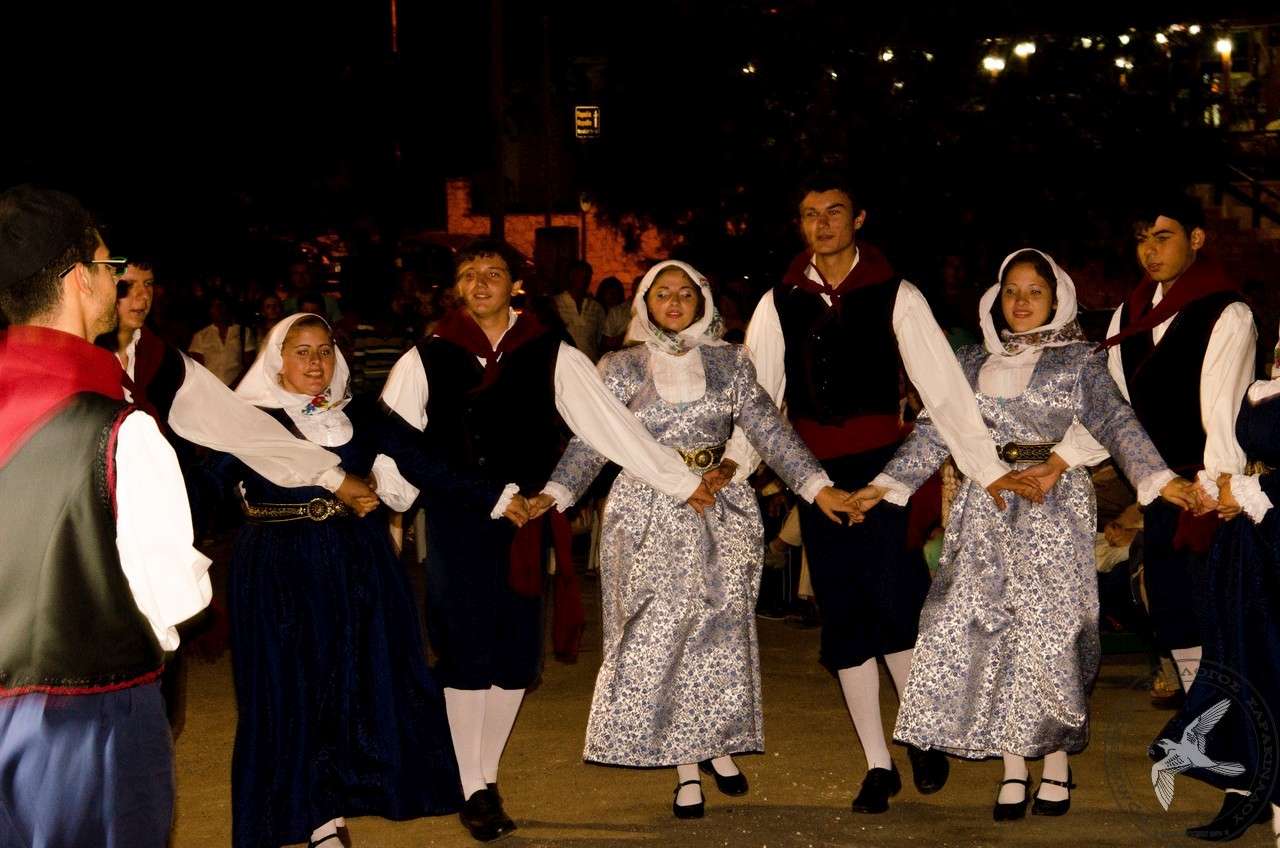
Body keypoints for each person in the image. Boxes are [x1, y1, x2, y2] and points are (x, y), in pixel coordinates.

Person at [381, 238, 714, 842]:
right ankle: (471, 785)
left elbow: (609, 427)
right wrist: (391, 504)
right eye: (469, 274)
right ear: (457, 288)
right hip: (460, 520)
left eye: (493, 272)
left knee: (514, 657)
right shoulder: (425, 356)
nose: (480, 282)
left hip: (526, 520)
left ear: (515, 285)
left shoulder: (549, 351)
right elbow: (396, 442)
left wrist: (679, 480)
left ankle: (484, 776)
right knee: (465, 651)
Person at [850, 247, 1200, 821]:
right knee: (991, 633)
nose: (1021, 301)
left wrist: (1149, 478)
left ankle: (1056, 764)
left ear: (1056, 298)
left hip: (1052, 506)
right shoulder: (970, 361)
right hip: (986, 508)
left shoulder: (1079, 359)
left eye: (1034, 291)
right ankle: (1014, 767)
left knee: (1050, 634)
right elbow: (937, 429)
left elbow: (1115, 421)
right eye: (1011, 290)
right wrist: (885, 485)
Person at [737, 171, 1038, 813]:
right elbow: (757, 401)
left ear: (859, 219)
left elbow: (944, 390)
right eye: (811, 213)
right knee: (844, 616)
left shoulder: (897, 292)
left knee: (895, 604)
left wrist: (984, 469)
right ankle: (878, 764)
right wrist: (735, 471)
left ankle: (919, 731)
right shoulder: (777, 300)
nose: (822, 224)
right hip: (815, 474)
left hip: (885, 471)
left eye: (834, 211)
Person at [535, 261, 857, 818]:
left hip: (719, 508)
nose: (675, 301)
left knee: (718, 631)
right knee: (663, 632)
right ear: (645, 302)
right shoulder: (620, 366)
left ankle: (717, 742)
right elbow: (592, 441)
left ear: (702, 301)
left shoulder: (731, 362)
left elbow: (769, 429)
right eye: (663, 293)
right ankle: (686, 767)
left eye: (685, 293)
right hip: (648, 513)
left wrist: (816, 486)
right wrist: (555, 493)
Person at [222, 313, 529, 848]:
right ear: (277, 359)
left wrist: (495, 497)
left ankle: (335, 801)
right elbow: (208, 481)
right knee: (294, 687)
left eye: (324, 351)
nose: (315, 363)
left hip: (355, 566)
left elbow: (423, 462)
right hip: (280, 569)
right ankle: (318, 820)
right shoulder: (251, 418)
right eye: (301, 352)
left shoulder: (359, 413)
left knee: (351, 687)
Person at [0, 185, 211, 847]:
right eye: (108, 264)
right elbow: (173, 597)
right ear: (77, 279)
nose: (114, 279)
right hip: (85, 721)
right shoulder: (120, 428)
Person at [1153, 352, 1280, 842]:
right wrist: (1223, 482)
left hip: (1271, 526)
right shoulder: (1261, 388)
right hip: (1250, 545)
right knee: (1244, 662)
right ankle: (1248, 784)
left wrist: (1254, 489)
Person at [188, 295, 253, 385]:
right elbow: (198, 368)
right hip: (211, 387)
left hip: (238, 387)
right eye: (214, 306)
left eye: (221, 305)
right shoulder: (201, 336)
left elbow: (249, 365)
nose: (219, 310)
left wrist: (235, 385)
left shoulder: (243, 332)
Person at [555, 259, 606, 361]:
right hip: (564, 364)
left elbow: (600, 340)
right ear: (571, 276)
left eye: (587, 276)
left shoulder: (596, 308)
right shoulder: (556, 303)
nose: (584, 279)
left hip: (589, 364)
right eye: (580, 275)